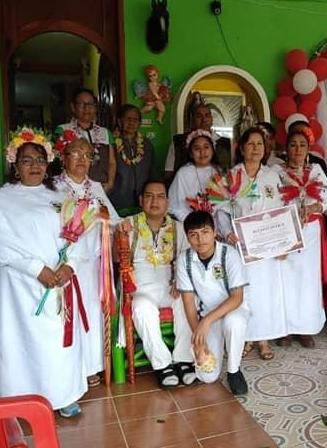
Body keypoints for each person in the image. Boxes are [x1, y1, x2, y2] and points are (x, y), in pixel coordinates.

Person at [0, 133, 94, 418]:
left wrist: (68, 267)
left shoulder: (60, 197)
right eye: (26, 160)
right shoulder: (0, 198)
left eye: (39, 159)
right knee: (23, 343)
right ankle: (21, 399)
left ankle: (63, 394)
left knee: (58, 341)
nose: (34, 165)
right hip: (21, 284)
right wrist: (37, 270)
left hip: (60, 279)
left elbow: (79, 235)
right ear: (15, 165)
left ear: (48, 164)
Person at [215, 126, 287, 360]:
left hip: (266, 248)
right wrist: (227, 234)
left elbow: (282, 211)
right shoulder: (231, 176)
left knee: (265, 293)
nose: (256, 148)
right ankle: (244, 337)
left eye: (260, 144)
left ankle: (263, 339)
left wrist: (283, 243)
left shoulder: (272, 176)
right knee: (244, 292)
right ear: (241, 148)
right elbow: (220, 211)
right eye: (251, 144)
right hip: (240, 247)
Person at [53, 133, 120, 387]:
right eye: (76, 154)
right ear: (63, 157)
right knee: (70, 312)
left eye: (87, 155)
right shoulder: (53, 186)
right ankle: (72, 366)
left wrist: (107, 221)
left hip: (94, 263)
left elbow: (111, 219)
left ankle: (92, 365)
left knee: (92, 309)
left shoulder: (97, 187)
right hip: (66, 262)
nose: (83, 159)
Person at [118, 180, 194, 387]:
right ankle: (162, 364)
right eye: (149, 196)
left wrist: (180, 281)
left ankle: (183, 359)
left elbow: (188, 259)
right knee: (142, 308)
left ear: (167, 202)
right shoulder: (128, 225)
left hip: (170, 286)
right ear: (141, 200)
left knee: (187, 301)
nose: (154, 201)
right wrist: (118, 232)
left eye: (160, 196)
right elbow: (115, 257)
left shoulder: (178, 228)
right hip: (139, 289)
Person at [177, 210, 250, 394]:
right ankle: (208, 353)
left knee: (233, 322)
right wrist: (199, 338)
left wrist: (206, 321)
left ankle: (234, 370)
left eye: (205, 232)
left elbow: (237, 297)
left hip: (233, 309)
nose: (200, 239)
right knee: (207, 376)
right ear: (187, 238)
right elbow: (188, 302)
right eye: (193, 235)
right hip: (205, 316)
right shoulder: (184, 260)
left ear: (215, 231)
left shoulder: (229, 254)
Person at [273, 129, 327, 348]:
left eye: (302, 145)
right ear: (286, 149)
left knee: (308, 280)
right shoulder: (276, 171)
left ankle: (306, 328)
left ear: (308, 150)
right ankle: (286, 329)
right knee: (286, 278)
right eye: (293, 145)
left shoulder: (315, 170)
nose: (297, 149)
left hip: (311, 232)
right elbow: (271, 200)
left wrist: (313, 206)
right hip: (287, 231)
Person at [54, 88, 116, 192]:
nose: (86, 108)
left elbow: (112, 162)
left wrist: (110, 183)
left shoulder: (105, 132)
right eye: (81, 104)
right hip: (72, 188)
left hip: (101, 187)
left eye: (90, 104)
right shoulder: (63, 130)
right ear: (73, 107)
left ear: (95, 108)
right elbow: (60, 159)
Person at [164, 103, 232, 182]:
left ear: (212, 119)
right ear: (192, 120)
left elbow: (232, 174)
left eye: (207, 115)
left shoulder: (225, 143)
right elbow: (168, 174)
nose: (204, 120)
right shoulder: (178, 142)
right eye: (199, 116)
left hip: (219, 191)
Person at [109, 104, 156, 211]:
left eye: (135, 120)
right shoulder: (111, 143)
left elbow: (152, 172)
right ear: (119, 121)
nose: (132, 123)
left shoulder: (147, 144)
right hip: (117, 200)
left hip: (142, 200)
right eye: (128, 119)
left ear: (139, 123)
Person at [168, 129, 219, 221]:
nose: (202, 152)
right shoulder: (183, 173)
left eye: (206, 147)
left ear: (213, 150)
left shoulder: (219, 172)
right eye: (197, 149)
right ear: (191, 153)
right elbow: (175, 206)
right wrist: (191, 223)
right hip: (189, 224)